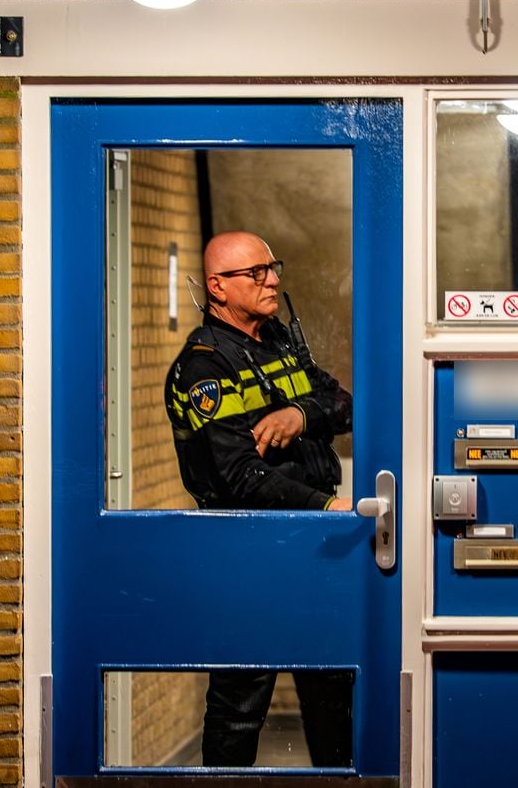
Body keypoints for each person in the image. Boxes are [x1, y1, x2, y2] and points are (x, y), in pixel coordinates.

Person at [164, 230, 354, 768]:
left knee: (330, 690)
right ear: (219, 287)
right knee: (241, 699)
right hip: (246, 547)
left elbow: (342, 404)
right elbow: (237, 477)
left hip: (310, 542)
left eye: (274, 268)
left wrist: (300, 415)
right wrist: (323, 506)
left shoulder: (278, 342)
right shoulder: (202, 367)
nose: (273, 280)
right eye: (257, 272)